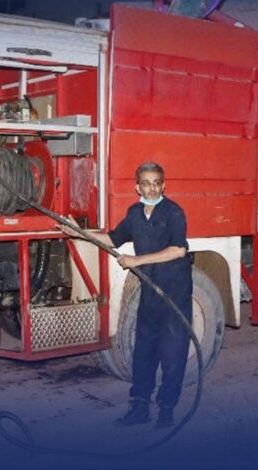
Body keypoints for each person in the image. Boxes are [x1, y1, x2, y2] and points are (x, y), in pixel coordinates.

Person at [62, 162, 192, 428]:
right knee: (143, 354)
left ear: (163, 185)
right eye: (146, 183)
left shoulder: (174, 212)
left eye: (156, 183)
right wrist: (79, 233)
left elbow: (179, 250)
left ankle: (166, 410)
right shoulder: (134, 214)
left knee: (172, 355)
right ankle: (139, 408)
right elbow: (112, 239)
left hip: (174, 296)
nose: (151, 188)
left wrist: (136, 260)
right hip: (149, 295)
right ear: (137, 187)